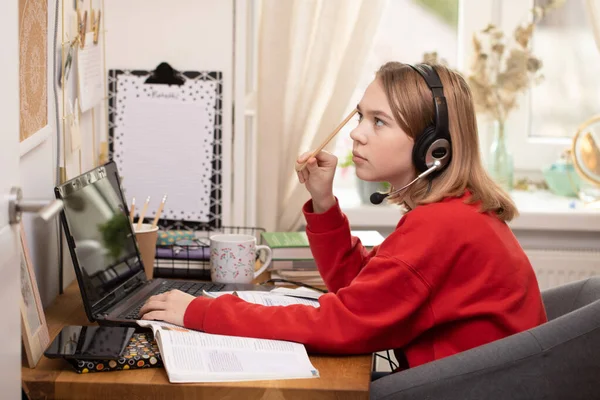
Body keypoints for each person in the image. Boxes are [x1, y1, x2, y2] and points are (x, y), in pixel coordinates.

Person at [139, 62, 547, 372]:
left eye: (379, 121)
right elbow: (364, 290)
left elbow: (344, 322)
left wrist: (201, 311)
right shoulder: (457, 210)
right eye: (360, 116)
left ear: (432, 148)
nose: (357, 133)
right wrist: (322, 203)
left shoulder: (444, 225)